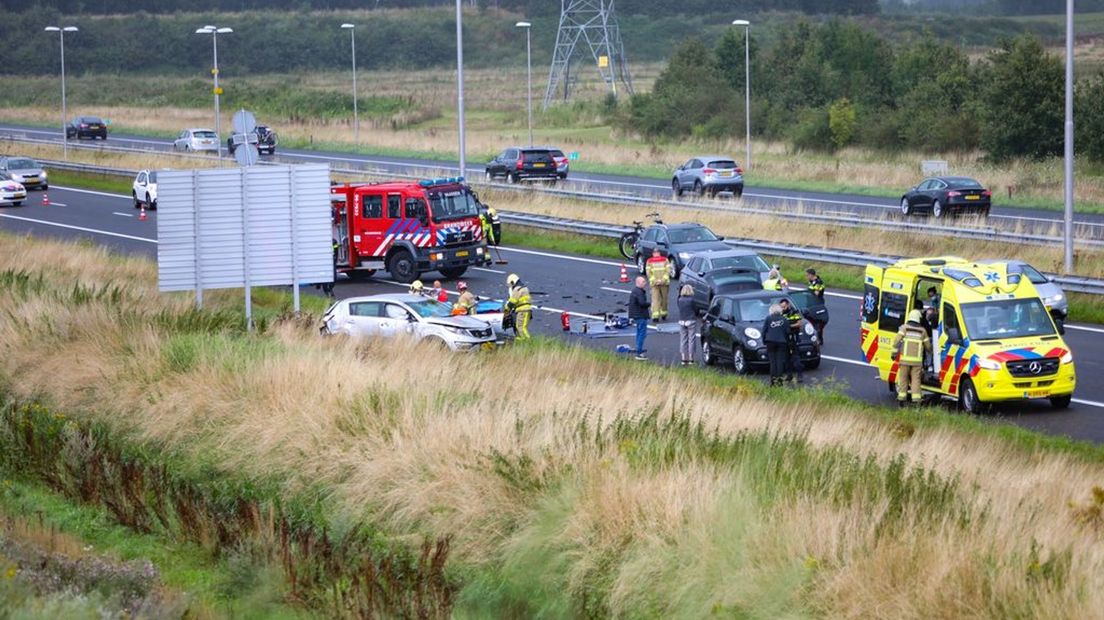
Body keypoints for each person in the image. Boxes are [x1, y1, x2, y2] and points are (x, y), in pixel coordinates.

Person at [892, 309, 932, 407]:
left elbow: (896, 342)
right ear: (918, 318)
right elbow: (928, 347)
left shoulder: (904, 328)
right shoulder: (923, 331)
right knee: (916, 381)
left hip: (905, 361)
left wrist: (893, 354)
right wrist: (931, 353)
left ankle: (901, 400)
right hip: (917, 363)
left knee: (903, 379)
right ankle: (916, 402)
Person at [762, 304, 789, 386]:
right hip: (781, 342)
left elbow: (764, 331)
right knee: (780, 362)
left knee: (772, 362)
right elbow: (787, 331)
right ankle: (780, 381)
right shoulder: (784, 319)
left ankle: (773, 382)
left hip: (770, 342)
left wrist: (764, 341)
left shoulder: (768, 318)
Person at [779, 298, 805, 383]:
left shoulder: (794, 312)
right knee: (786, 359)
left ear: (788, 305)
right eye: (781, 307)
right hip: (784, 338)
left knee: (796, 358)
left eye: (784, 307)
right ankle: (789, 375)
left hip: (793, 338)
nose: (783, 308)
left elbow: (799, 323)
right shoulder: (780, 314)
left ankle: (799, 375)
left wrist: (789, 326)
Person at [627, 275, 651, 360]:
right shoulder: (639, 292)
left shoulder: (635, 291)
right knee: (642, 334)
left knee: (639, 333)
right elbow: (642, 303)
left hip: (636, 314)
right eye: (643, 282)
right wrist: (649, 304)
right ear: (638, 283)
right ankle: (639, 352)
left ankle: (638, 349)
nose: (645, 283)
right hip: (640, 315)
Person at [645, 247, 671, 322]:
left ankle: (660, 314)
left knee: (660, 299)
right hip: (661, 283)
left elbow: (649, 273)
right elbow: (667, 271)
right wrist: (661, 280)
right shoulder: (665, 260)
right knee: (659, 299)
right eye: (655, 252)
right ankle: (658, 315)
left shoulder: (650, 261)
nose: (656, 254)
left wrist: (657, 281)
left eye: (656, 252)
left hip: (658, 283)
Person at [504, 273, 533, 340]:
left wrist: (506, 310)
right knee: (522, 326)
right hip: (527, 309)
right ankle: (525, 339)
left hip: (522, 310)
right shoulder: (524, 288)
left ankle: (527, 340)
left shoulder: (517, 289)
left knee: (520, 327)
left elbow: (512, 301)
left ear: (513, 281)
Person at [676, 284, 697, 366]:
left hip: (682, 320)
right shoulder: (692, 300)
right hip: (691, 320)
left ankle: (683, 358)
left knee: (683, 339)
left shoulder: (680, 299)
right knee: (691, 339)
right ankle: (691, 358)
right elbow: (695, 309)